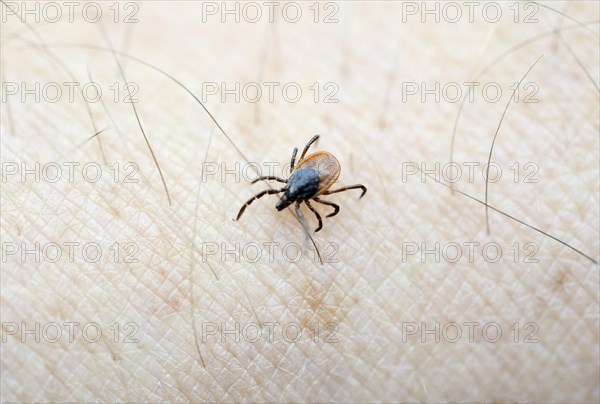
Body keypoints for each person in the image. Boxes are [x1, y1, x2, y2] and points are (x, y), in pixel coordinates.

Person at [1, 1, 598, 401]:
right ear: (294, 186)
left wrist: (317, 191)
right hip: (318, 165)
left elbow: (325, 180)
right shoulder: (297, 187)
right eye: (290, 195)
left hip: (319, 166)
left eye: (294, 198)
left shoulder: (308, 186)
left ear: (300, 188)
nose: (290, 200)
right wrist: (304, 190)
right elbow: (319, 176)